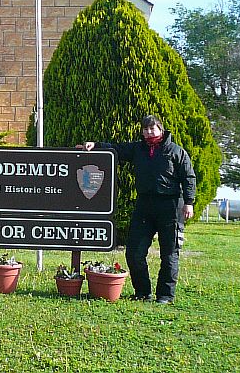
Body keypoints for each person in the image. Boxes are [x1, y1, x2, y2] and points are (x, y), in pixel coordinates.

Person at [79, 115, 196, 304]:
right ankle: (143, 292)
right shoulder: (138, 148)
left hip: (171, 206)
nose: (149, 132)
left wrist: (189, 202)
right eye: (146, 129)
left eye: (153, 129)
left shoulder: (175, 151)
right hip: (144, 205)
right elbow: (116, 149)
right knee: (134, 253)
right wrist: (96, 145)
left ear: (161, 129)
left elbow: (189, 177)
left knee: (169, 254)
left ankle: (165, 295)